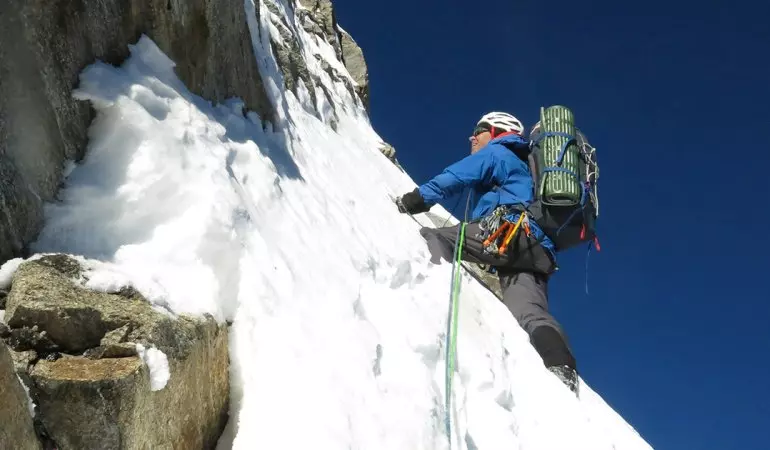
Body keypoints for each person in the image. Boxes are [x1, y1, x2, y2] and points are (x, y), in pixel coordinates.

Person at [396, 112, 579, 394]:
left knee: (436, 236)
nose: (472, 137)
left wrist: (417, 200)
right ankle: (560, 365)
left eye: (479, 130)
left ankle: (430, 282)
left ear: (496, 132)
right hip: (537, 249)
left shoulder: (498, 152)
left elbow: (456, 176)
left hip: (504, 232)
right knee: (530, 311)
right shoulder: (526, 166)